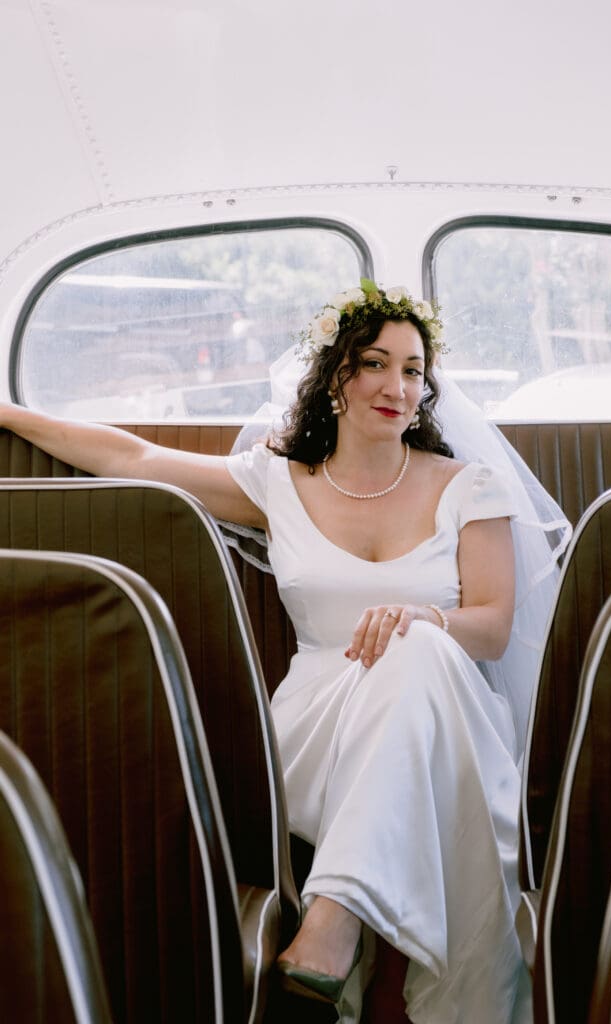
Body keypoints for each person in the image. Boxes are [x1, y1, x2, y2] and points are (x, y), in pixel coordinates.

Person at [0, 279, 570, 1023]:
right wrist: (8, 413)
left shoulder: (471, 484)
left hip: (447, 720)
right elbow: (134, 456)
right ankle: (353, 918)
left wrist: (420, 617)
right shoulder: (278, 481)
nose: (396, 385)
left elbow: (491, 627)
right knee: (416, 650)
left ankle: (334, 918)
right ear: (335, 373)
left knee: (422, 649)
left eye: (411, 369)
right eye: (374, 362)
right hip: (312, 728)